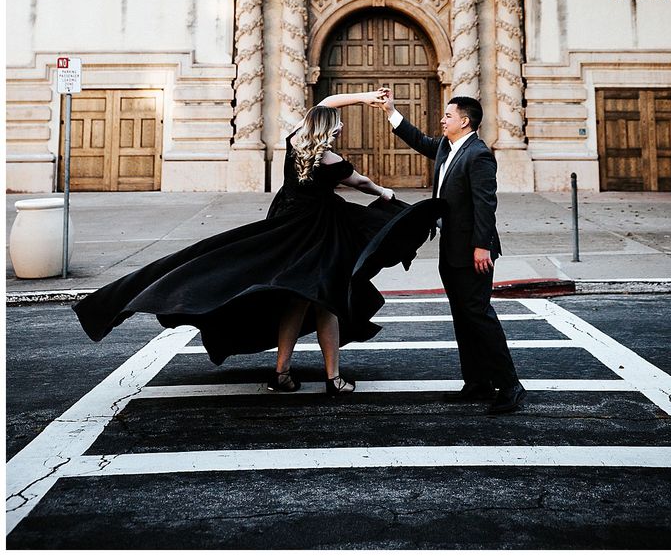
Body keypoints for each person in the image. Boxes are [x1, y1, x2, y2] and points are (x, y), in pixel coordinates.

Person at [73, 89, 441, 397]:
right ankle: (332, 378)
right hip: (318, 234)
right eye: (338, 123)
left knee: (297, 301)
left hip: (286, 225)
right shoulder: (330, 158)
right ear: (327, 128)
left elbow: (327, 101)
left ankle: (284, 374)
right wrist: (386, 192)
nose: (342, 124)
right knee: (326, 300)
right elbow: (361, 184)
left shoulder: (295, 138)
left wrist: (363, 98)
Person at [380, 90, 527, 414]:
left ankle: (511, 385)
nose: (443, 120)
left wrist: (481, 246)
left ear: (465, 120)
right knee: (463, 317)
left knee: (479, 315)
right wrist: (392, 111)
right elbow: (419, 140)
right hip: (451, 249)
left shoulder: (478, 154)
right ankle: (477, 382)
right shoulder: (448, 147)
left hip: (473, 251)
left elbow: (486, 204)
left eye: (448, 116)